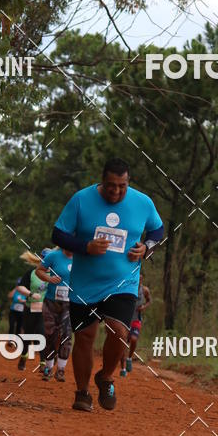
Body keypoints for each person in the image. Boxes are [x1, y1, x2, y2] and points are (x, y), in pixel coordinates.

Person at [52, 157, 163, 412]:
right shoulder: (81, 199)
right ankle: (82, 393)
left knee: (119, 331)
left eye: (121, 186)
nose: (116, 191)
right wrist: (85, 247)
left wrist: (147, 248)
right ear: (102, 181)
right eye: (111, 185)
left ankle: (106, 376)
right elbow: (58, 233)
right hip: (84, 284)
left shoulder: (143, 203)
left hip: (123, 282)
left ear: (128, 182)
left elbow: (157, 231)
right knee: (85, 337)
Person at [36, 247, 73, 382]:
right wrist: (48, 279)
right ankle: (48, 368)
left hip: (70, 304)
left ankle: (61, 370)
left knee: (66, 335)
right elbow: (39, 270)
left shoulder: (81, 258)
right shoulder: (53, 256)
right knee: (50, 335)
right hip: (51, 302)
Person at [16, 251, 48, 371]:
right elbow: (20, 287)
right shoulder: (31, 273)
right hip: (31, 308)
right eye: (44, 259)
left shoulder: (55, 275)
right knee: (28, 334)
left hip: (46, 310)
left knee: (42, 334)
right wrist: (30, 294)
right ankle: (24, 357)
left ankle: (43, 363)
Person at [121, 280, 151, 375]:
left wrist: (143, 307)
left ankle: (129, 358)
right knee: (123, 344)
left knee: (134, 339)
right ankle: (123, 369)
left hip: (136, 320)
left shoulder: (144, 290)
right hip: (125, 319)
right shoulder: (126, 287)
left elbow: (149, 301)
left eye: (140, 279)